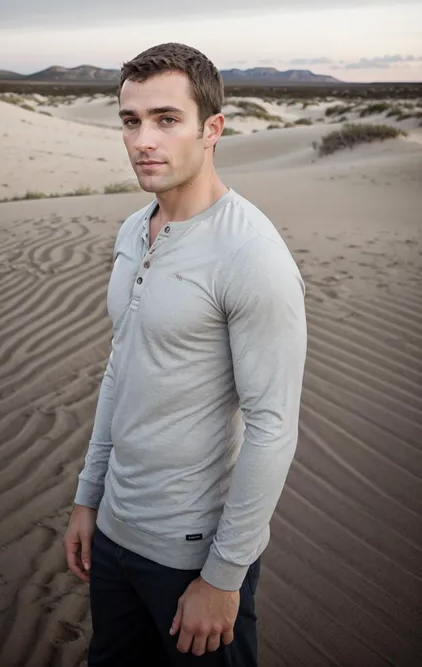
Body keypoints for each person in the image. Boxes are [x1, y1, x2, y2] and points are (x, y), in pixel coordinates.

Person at [63, 42, 307, 666]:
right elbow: (122, 366)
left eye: (167, 120)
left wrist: (224, 577)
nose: (145, 139)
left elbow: (273, 428)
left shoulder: (251, 254)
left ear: (211, 129)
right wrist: (90, 497)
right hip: (115, 535)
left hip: (192, 555)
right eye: (131, 120)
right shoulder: (133, 228)